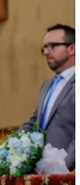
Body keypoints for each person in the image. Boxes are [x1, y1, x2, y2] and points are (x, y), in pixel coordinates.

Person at [19, 24, 75, 171]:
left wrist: (63, 169)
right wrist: (8, 147)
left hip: (66, 172)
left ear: (72, 48)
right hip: (41, 171)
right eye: (44, 48)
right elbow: (33, 124)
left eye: (52, 46)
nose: (45, 52)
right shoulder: (47, 85)